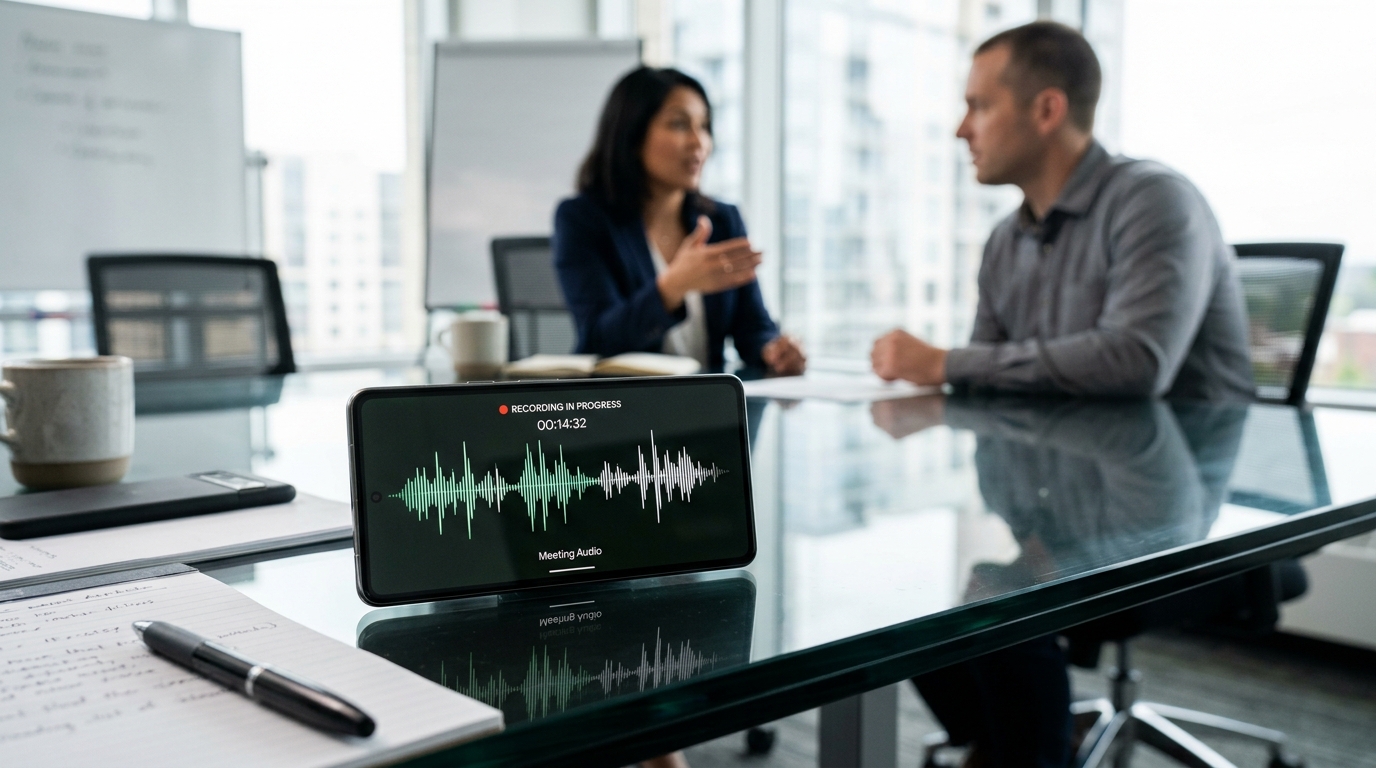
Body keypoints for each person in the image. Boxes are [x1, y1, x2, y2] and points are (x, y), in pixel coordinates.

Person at [871, 22, 1253, 402]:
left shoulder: (1155, 201)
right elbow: (986, 379)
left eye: (979, 107)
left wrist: (945, 364)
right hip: (1067, 453)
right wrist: (959, 368)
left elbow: (1135, 362)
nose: (961, 130)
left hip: (1177, 455)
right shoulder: (1004, 239)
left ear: (1047, 111)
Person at [554, 67, 805, 375]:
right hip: (622, 409)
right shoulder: (582, 219)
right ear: (632, 135)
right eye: (679, 124)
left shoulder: (722, 220)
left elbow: (753, 328)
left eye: (704, 126)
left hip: (705, 407)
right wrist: (672, 287)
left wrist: (773, 351)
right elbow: (599, 340)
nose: (699, 142)